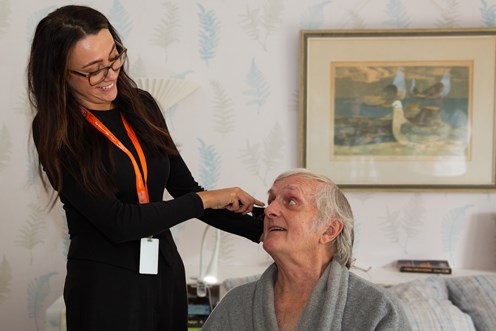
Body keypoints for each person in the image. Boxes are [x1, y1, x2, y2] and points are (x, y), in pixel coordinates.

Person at [27, 5, 265, 331]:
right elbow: (118, 222)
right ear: (59, 74)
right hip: (106, 286)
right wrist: (208, 199)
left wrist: (263, 230)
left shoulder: (143, 105)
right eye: (93, 69)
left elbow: (186, 191)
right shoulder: (55, 131)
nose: (110, 74)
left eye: (114, 57)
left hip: (163, 271)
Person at [202, 168, 411, 331]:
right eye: (271, 200)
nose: (269, 210)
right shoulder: (235, 304)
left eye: (291, 201)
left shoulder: (378, 310)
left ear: (329, 230)